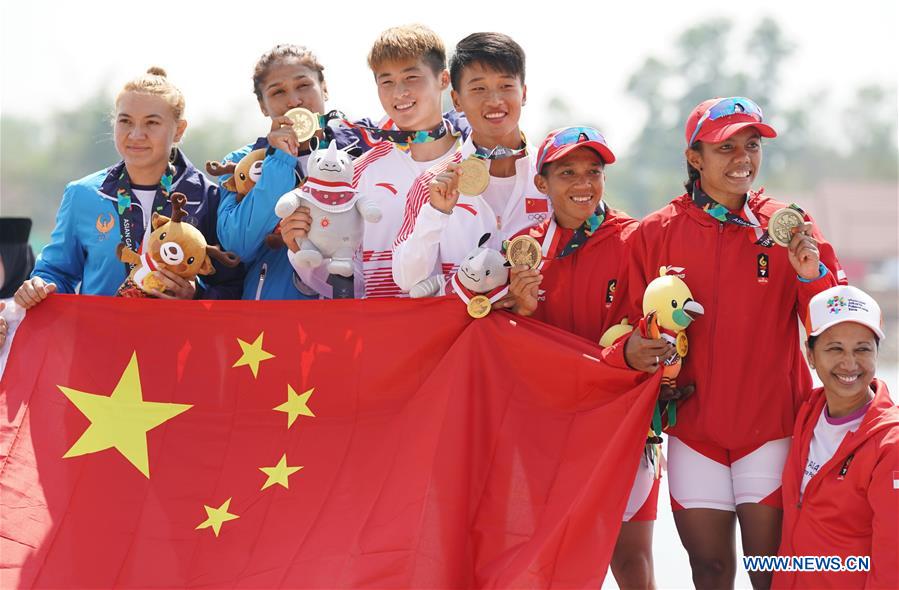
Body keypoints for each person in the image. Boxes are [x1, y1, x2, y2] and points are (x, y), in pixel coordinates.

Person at [624, 97, 845, 589]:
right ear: (695, 157)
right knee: (710, 571)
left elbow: (834, 329)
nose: (743, 158)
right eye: (726, 148)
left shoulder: (788, 227)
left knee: (769, 574)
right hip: (693, 431)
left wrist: (811, 275)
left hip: (770, 428)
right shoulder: (656, 232)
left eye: (751, 145)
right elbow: (627, 327)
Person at [506, 127, 675, 590]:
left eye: (593, 172)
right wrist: (516, 309)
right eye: (567, 173)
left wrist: (630, 350)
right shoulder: (524, 249)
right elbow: (506, 342)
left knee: (631, 561)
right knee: (550, 562)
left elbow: (658, 325)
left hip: (623, 425)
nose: (583, 184)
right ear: (541, 183)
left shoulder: (635, 239)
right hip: (548, 429)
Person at [15, 67, 241, 309]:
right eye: (125, 121)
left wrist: (196, 295)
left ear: (180, 129)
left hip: (176, 343)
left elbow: (234, 286)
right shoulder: (83, 194)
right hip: (100, 342)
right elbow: (57, 272)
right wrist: (39, 285)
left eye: (152, 123)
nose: (136, 134)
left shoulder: (208, 197)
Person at [281, 24, 465, 299]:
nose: (398, 92)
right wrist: (300, 250)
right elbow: (349, 284)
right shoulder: (362, 171)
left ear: (443, 79)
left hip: (464, 333)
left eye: (411, 77)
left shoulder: (475, 165)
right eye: (386, 81)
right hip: (386, 334)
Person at [391, 32, 549, 295]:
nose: (495, 100)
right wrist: (437, 212)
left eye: (506, 86)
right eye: (478, 88)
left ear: (523, 93)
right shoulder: (432, 183)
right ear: (456, 100)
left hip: (537, 332)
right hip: (462, 333)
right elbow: (406, 278)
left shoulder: (550, 176)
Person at [215, 44, 368, 300]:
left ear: (325, 88)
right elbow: (237, 245)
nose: (294, 100)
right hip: (271, 317)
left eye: (304, 86)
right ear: (263, 106)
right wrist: (280, 160)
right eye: (277, 92)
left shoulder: (360, 153)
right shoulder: (240, 164)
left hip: (346, 311)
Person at [773, 285, 897, 590]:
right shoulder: (806, 413)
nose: (850, 364)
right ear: (811, 356)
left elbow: (893, 560)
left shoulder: (890, 445)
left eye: (862, 349)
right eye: (835, 349)